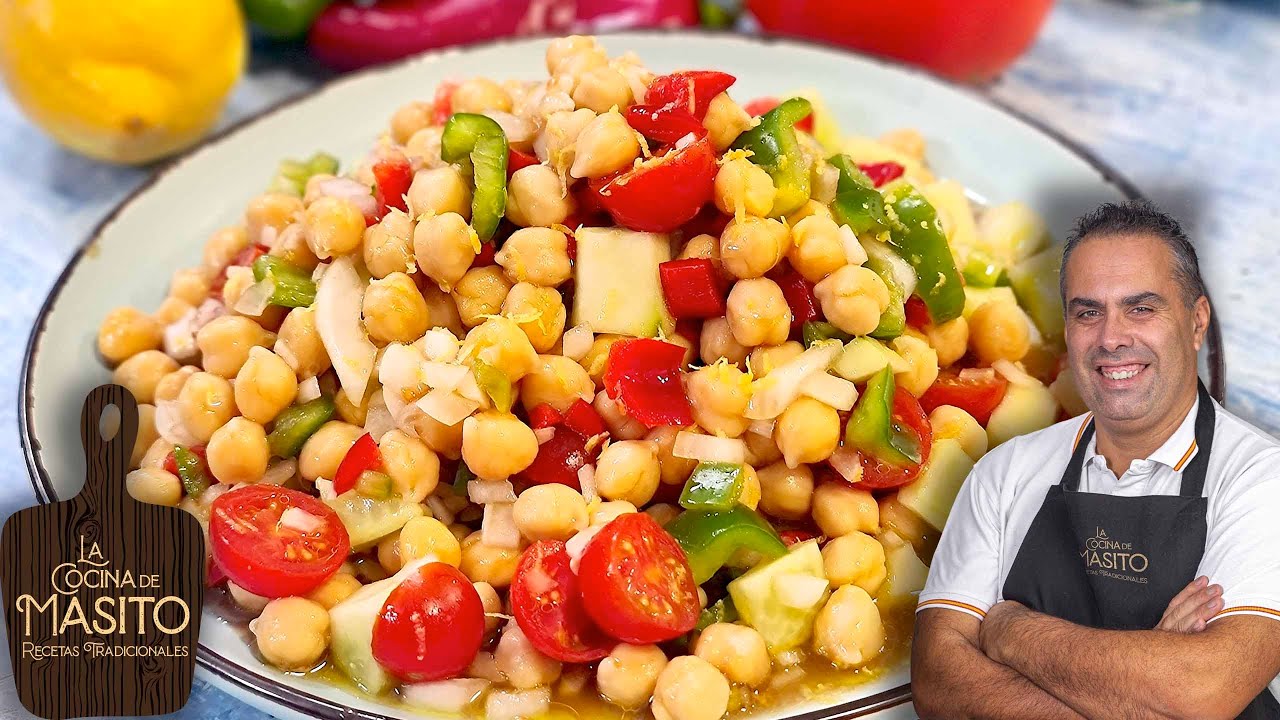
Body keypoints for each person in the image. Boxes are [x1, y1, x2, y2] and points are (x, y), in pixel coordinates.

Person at [911, 200, 1280, 720]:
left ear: (1197, 322)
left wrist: (1013, 632)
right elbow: (940, 686)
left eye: (1141, 308)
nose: (1111, 338)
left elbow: (1207, 689)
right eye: (1088, 312)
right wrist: (1146, 682)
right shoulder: (1003, 472)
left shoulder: (1261, 478)